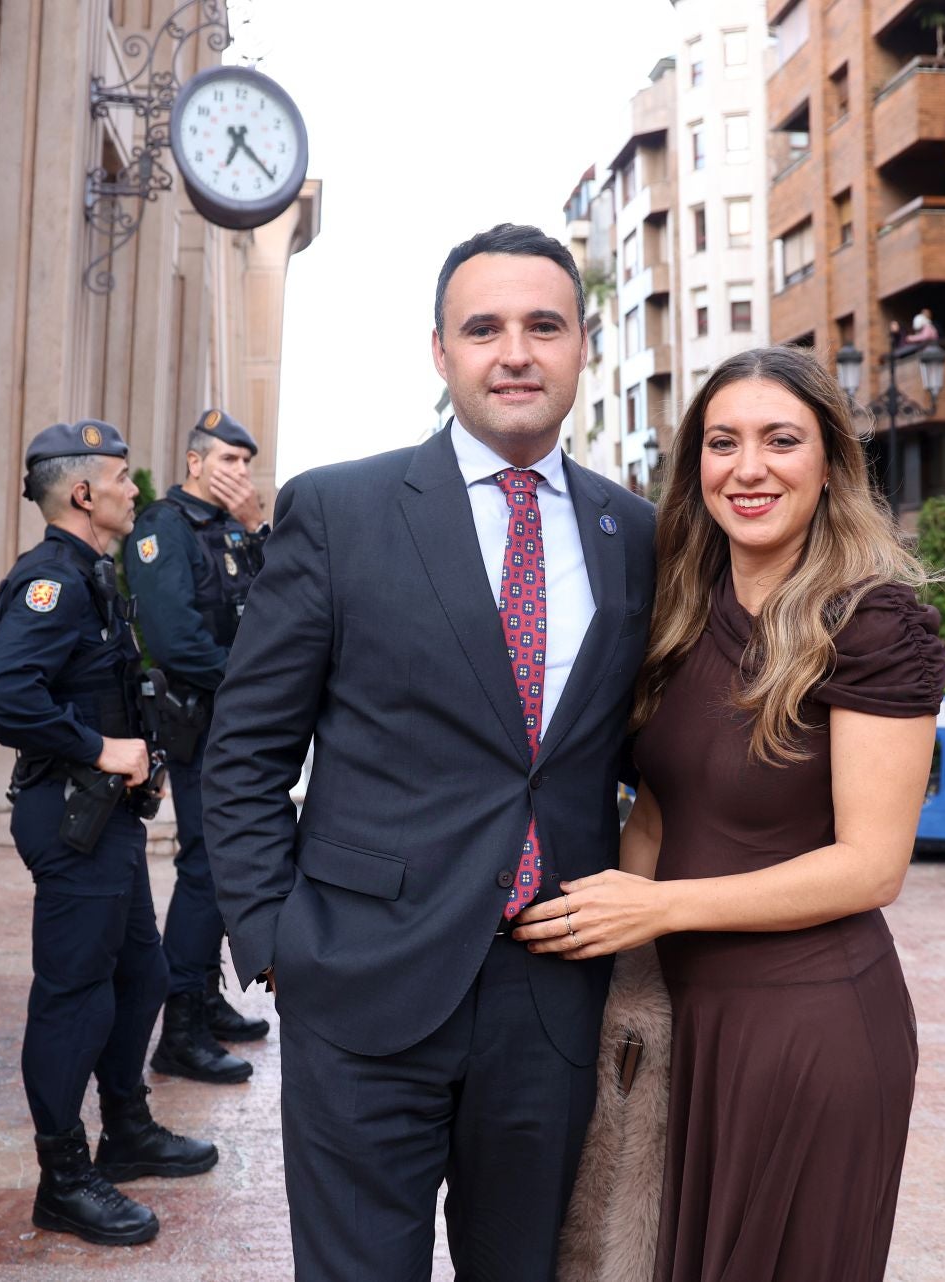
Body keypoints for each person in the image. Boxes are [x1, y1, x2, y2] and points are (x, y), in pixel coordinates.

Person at [201, 225, 656, 1281]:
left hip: (551, 995)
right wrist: (274, 939)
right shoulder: (341, 510)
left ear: (583, 347)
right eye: (484, 328)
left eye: (544, 326)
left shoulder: (634, 533)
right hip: (362, 982)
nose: (515, 353)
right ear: (440, 351)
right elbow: (247, 749)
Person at [512, 344, 944, 1281]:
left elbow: (873, 866)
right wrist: (602, 948)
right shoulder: (679, 612)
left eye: (780, 440)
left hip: (810, 1028)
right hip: (683, 1023)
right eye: (723, 443)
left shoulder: (873, 621)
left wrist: (660, 908)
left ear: (829, 462)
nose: (749, 469)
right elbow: (658, 814)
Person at [0, 420, 217, 1246]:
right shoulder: (53, 582)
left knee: (141, 977)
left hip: (106, 818)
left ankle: (126, 1130)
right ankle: (63, 1178)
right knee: (74, 997)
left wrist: (135, 751)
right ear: (82, 492)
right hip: (73, 818)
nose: (133, 489)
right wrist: (99, 748)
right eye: (119, 477)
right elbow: (1, 694)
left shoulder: (93, 574)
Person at [123, 409, 270, 1086]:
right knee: (207, 866)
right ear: (194, 462)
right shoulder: (165, 528)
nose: (240, 472)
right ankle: (179, 1030)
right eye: (228, 459)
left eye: (246, 462)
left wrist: (257, 529)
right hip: (200, 721)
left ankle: (205, 999)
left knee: (224, 865)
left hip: (233, 722)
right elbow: (176, 639)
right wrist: (253, 684)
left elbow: (283, 603)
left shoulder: (230, 528)